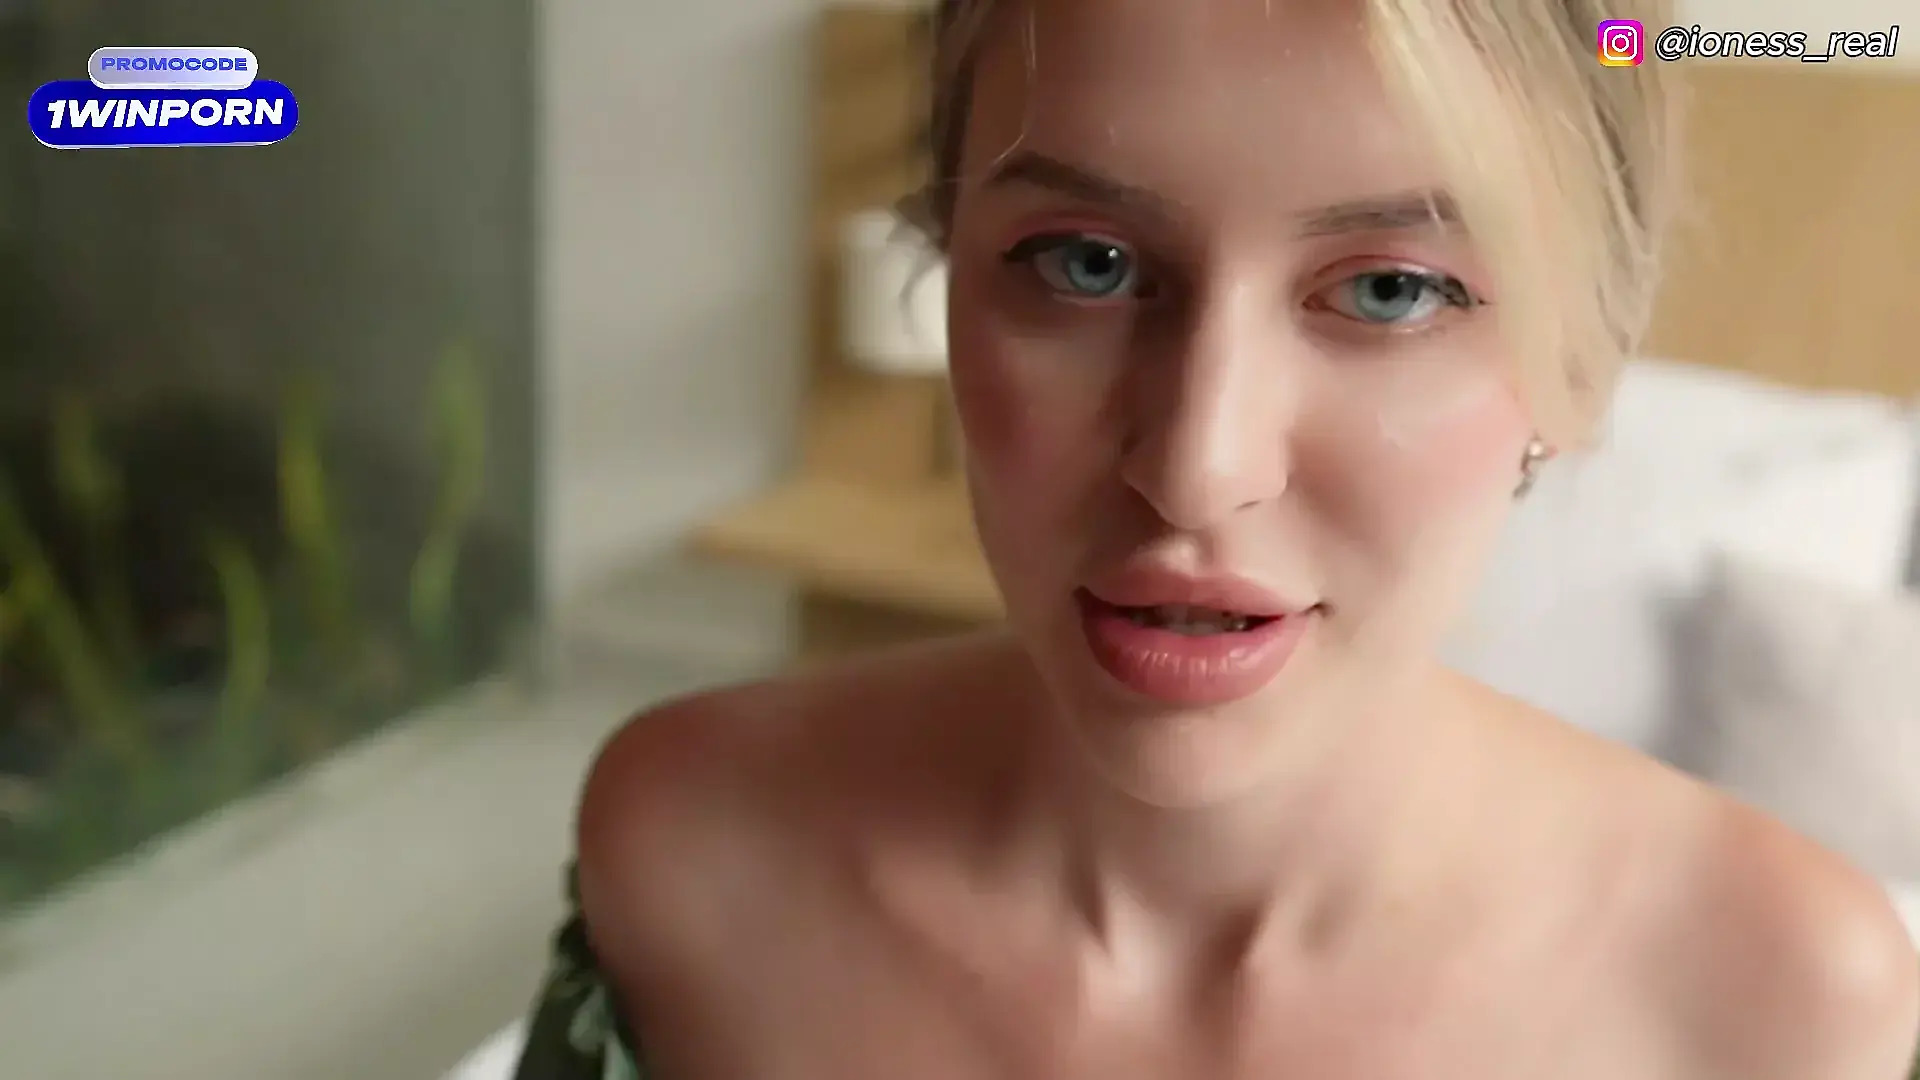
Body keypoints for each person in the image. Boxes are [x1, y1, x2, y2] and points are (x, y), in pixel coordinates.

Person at [511, 0, 1920, 1076]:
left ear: (1583, 365)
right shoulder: (694, 854)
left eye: (1388, 290)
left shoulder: (1777, 1001)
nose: (1195, 469)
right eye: (1086, 264)